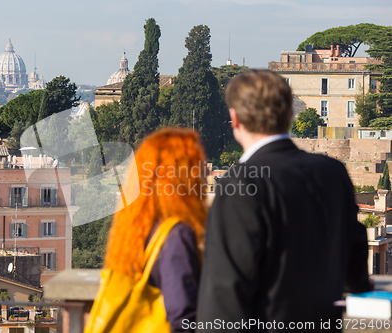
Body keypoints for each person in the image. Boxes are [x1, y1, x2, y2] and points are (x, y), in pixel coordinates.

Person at [197, 70, 371, 332]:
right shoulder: (333, 172)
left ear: (234, 119)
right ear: (290, 114)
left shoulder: (240, 183)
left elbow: (224, 295)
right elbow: (355, 266)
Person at [103, 128, 208, 332]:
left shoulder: (135, 229)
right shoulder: (176, 235)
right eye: (198, 166)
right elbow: (183, 316)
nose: (204, 174)